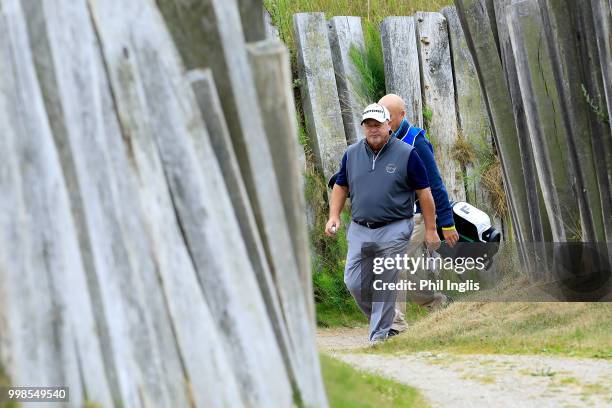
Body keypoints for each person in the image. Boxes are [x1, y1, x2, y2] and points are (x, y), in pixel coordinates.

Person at [325, 103, 440, 344]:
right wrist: (334, 216)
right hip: (360, 228)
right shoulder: (352, 154)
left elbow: (425, 193)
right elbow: (341, 185)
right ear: (364, 127)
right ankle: (384, 320)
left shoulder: (408, 154)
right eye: (369, 125)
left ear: (389, 125)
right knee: (354, 282)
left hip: (395, 227)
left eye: (378, 124)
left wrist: (431, 229)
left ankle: (379, 336)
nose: (373, 129)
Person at [378, 94, 459, 331]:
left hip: (416, 216)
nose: (384, 122)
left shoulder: (417, 142)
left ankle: (394, 326)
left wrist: (445, 223)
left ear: (402, 115)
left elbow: (435, 184)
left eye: (389, 117)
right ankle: (439, 303)